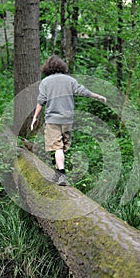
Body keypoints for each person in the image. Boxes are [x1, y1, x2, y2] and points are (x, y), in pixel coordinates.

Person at [31, 55, 107, 186]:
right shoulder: (70, 80)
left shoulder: (45, 82)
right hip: (67, 119)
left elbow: (40, 101)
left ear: (47, 68)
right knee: (62, 147)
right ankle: (57, 173)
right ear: (61, 66)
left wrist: (35, 118)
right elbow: (84, 91)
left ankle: (61, 175)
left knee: (57, 148)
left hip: (53, 120)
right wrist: (98, 96)